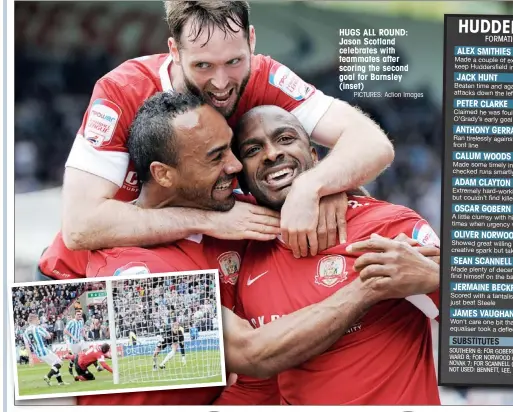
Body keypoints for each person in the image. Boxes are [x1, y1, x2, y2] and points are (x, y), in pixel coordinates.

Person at [80, 91, 438, 405]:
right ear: (165, 175)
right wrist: (367, 286)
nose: (235, 166)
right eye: (218, 155)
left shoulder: (242, 222)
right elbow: (253, 356)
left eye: (234, 152)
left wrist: (322, 187)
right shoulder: (131, 275)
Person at [39, 0, 394, 282]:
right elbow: (80, 227)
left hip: (202, 273)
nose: (222, 83)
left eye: (235, 61)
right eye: (204, 66)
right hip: (79, 278)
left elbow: (373, 143)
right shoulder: (123, 91)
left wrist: (316, 186)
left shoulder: (265, 76)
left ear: (252, 41)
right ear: (174, 50)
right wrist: (206, 221)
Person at [218, 105, 441, 405]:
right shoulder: (246, 257)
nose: (271, 154)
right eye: (253, 149)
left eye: (285, 138)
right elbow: (256, 388)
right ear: (242, 178)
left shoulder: (387, 226)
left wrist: (434, 278)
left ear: (314, 155)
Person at [22, 314, 69, 386]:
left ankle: (60, 382)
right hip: (43, 350)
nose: (38, 321)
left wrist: (30, 358)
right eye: (37, 319)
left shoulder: (25, 332)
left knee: (54, 365)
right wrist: (49, 333)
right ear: (33, 320)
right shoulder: (37, 328)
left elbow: (27, 346)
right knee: (59, 362)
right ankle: (48, 376)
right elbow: (48, 336)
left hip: (38, 353)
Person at [63, 310, 86, 377]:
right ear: (75, 315)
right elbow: (65, 330)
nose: (79, 315)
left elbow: (81, 329)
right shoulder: (71, 322)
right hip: (73, 342)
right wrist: (73, 337)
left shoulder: (81, 321)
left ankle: (96, 367)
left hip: (80, 340)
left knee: (86, 351)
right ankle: (70, 367)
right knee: (75, 357)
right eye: (78, 314)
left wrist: (85, 336)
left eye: (80, 314)